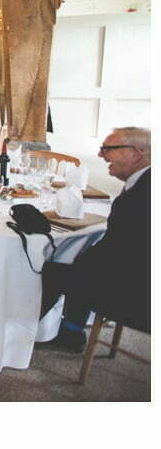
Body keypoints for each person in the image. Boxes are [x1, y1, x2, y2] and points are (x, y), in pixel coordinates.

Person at [39, 127, 150, 352]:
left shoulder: (140, 197)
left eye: (108, 149)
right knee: (82, 261)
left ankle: (30, 333)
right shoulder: (145, 183)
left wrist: (79, 258)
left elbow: (116, 252)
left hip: (139, 298)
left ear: (136, 153)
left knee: (51, 270)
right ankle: (72, 328)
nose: (101, 155)